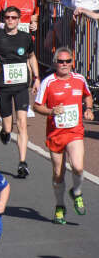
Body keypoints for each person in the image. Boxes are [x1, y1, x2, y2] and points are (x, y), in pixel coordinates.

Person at [33, 46, 94, 224]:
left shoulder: (79, 79)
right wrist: (51, 111)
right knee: (58, 173)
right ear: (55, 63)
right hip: (55, 133)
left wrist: (89, 109)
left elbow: (87, 96)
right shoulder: (48, 82)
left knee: (78, 166)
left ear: (72, 62)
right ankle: (60, 206)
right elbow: (37, 106)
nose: (65, 64)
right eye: (61, 61)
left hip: (75, 132)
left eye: (68, 61)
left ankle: (77, 192)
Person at [0, 5, 37, 178]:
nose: (10, 20)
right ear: (3, 19)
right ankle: (5, 131)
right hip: (3, 86)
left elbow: (31, 56)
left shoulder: (25, 38)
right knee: (8, 126)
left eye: (14, 17)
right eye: (7, 17)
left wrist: (36, 77)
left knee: (21, 123)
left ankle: (23, 163)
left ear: (19, 19)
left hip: (22, 86)